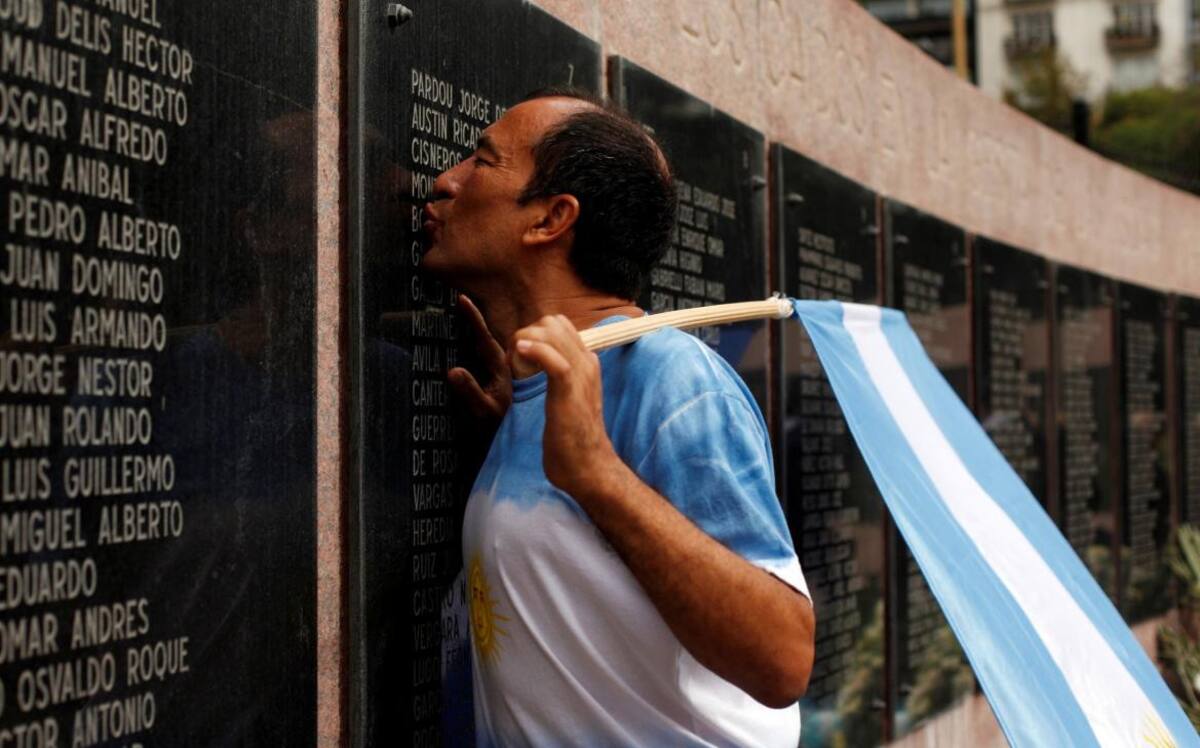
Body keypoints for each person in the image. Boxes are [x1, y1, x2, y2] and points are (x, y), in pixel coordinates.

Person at [422, 87, 815, 746]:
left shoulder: (674, 378)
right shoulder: (530, 395)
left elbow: (782, 660)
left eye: (483, 161)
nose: (446, 180)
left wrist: (596, 475)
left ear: (551, 218)